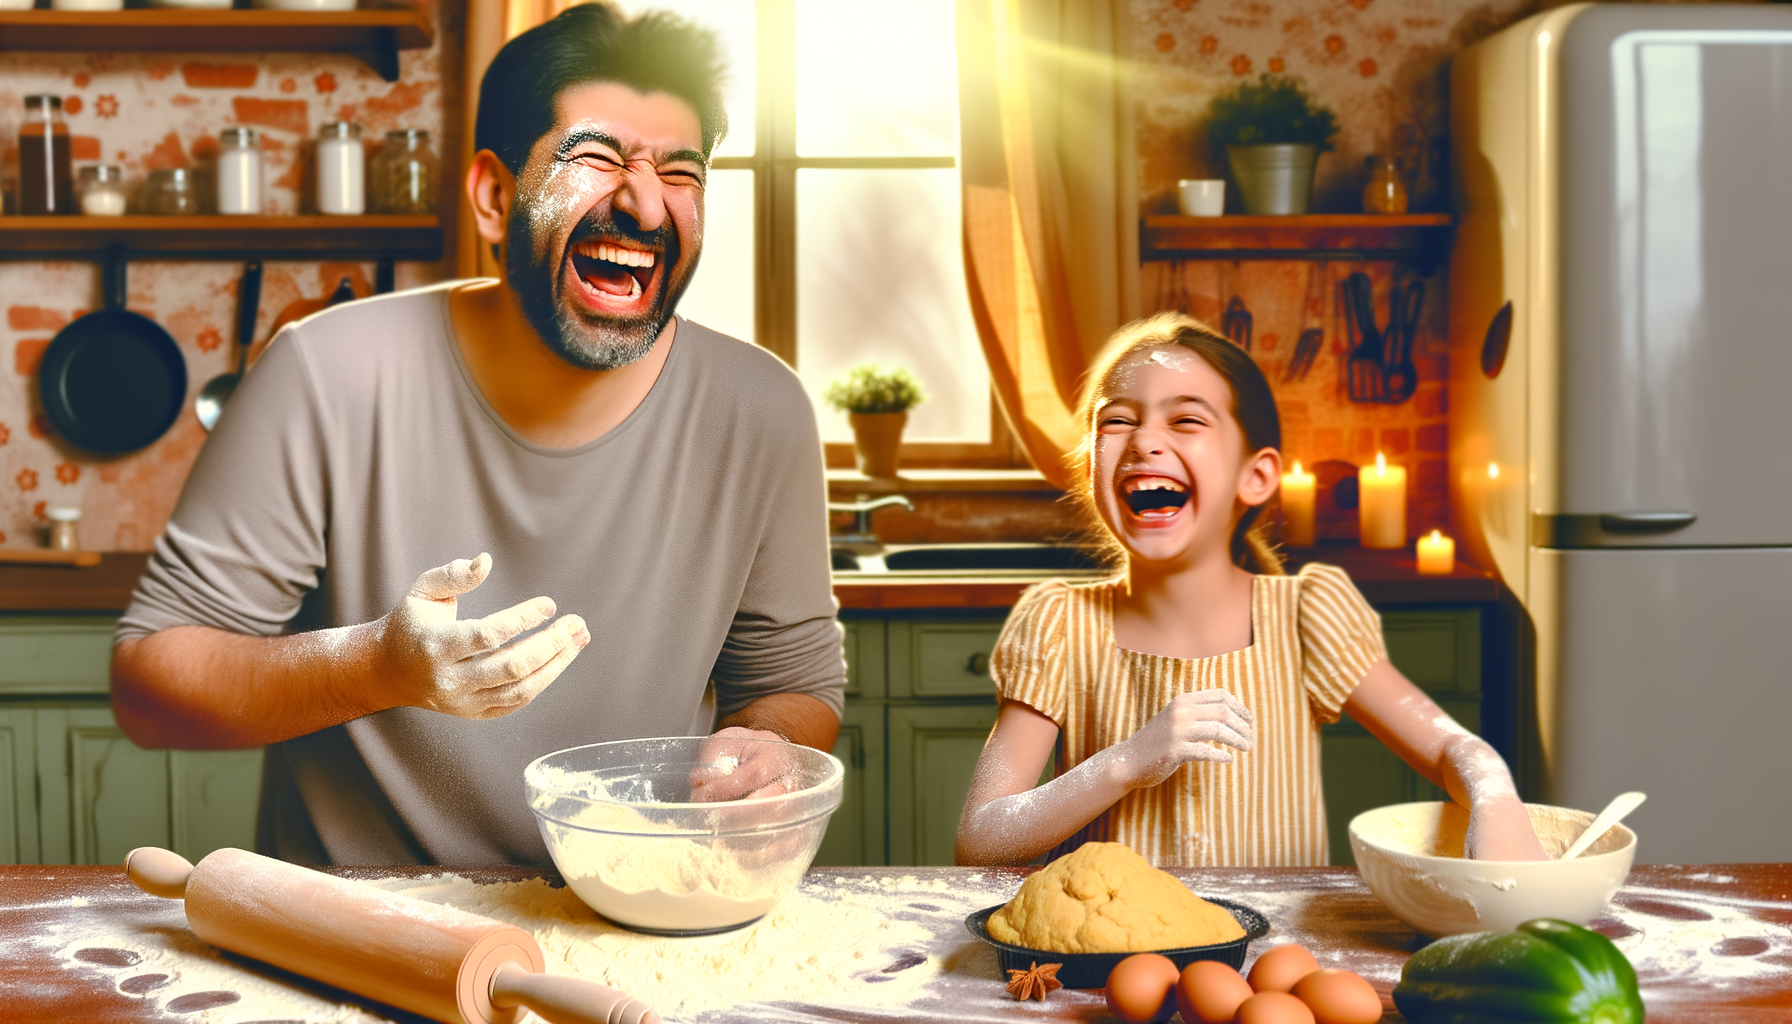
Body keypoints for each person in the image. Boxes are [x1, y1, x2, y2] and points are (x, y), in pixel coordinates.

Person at [109, 3, 844, 866]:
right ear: (495, 197)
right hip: (361, 947)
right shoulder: (327, 371)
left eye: (681, 173)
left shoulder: (761, 409)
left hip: (640, 924)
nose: (646, 203)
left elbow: (793, 689)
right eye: (598, 157)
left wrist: (766, 746)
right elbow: (150, 687)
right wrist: (375, 666)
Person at [955, 313, 1544, 867]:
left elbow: (1451, 749)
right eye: (1118, 420)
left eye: (1186, 420)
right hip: (1111, 963)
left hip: (1268, 966)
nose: (1143, 442)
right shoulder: (1060, 623)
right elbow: (980, 839)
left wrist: (1493, 793)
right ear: (1089, 466)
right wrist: (1128, 760)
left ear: (1255, 476)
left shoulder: (1304, 616)